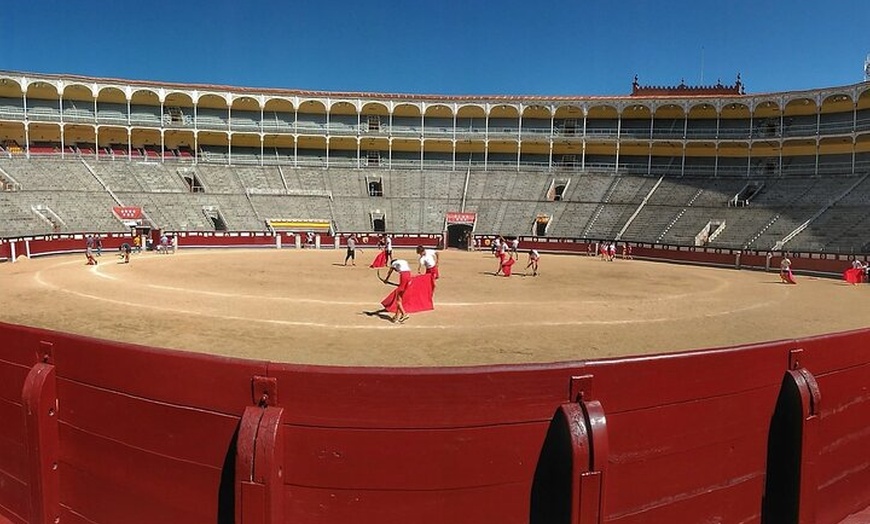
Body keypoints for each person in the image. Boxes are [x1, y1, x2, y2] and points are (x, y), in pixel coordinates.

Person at [382, 258, 412, 323]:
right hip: (409, 276)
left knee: (398, 300)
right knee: (400, 299)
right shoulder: (403, 261)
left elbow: (390, 271)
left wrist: (386, 279)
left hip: (403, 276)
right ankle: (396, 317)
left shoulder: (393, 263)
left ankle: (404, 314)